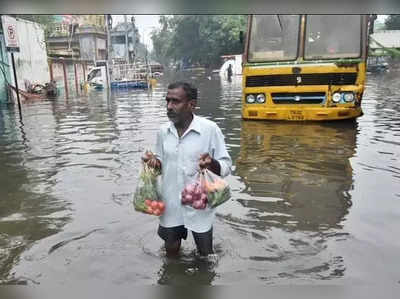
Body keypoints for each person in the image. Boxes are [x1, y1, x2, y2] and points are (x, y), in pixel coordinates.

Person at [143, 81, 232, 257]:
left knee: (205, 255)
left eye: (175, 101)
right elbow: (161, 164)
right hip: (171, 204)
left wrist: (211, 163)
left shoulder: (209, 129)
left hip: (199, 205)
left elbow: (226, 166)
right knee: (171, 254)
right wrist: (153, 162)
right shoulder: (163, 132)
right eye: (167, 101)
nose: (169, 106)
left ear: (191, 105)